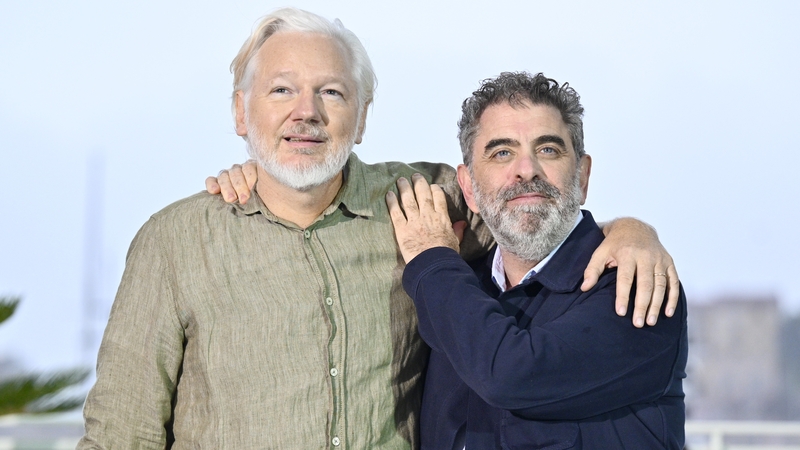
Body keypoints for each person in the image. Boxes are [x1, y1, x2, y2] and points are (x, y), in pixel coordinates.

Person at [80, 8, 679, 450]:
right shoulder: (176, 242)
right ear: (241, 111)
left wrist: (630, 231)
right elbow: (121, 431)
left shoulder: (426, 205)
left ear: (362, 117)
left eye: (332, 93)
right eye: (281, 90)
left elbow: (531, 205)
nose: (306, 112)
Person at [387, 72, 687, 449]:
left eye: (548, 149)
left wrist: (431, 256)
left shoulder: (635, 286)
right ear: (469, 189)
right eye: (502, 153)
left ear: (582, 177)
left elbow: (510, 375)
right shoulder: (462, 287)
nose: (526, 169)